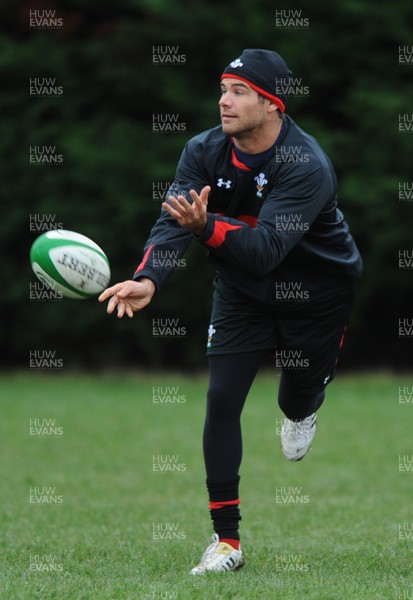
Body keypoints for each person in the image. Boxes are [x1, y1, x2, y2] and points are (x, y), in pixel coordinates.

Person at [99, 48, 362, 574]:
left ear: (273, 106)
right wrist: (150, 277)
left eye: (240, 92)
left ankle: (306, 402)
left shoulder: (305, 164)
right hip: (242, 291)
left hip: (316, 294)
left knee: (297, 394)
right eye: (223, 89)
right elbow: (174, 220)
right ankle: (227, 543)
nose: (225, 100)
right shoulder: (202, 150)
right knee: (221, 400)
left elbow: (266, 250)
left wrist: (207, 227)